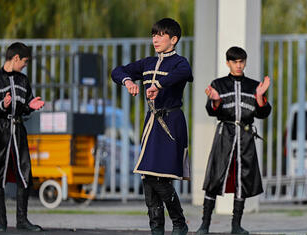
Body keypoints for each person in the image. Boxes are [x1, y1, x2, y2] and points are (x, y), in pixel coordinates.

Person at [111, 18, 193, 235]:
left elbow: (184, 74)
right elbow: (117, 70)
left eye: (160, 35)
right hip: (152, 125)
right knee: (148, 176)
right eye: (153, 35)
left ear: (173, 40)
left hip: (171, 123)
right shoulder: (147, 63)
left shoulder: (180, 62)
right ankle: (156, 228)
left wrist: (158, 84)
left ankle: (179, 222)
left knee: (159, 177)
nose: (155, 39)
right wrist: (128, 81)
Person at [196, 46, 271, 235]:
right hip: (225, 135)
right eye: (235, 62)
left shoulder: (253, 85)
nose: (239, 65)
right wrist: (216, 101)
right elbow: (211, 111)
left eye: (241, 62)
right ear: (228, 63)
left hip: (245, 137)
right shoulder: (218, 84)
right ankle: (205, 224)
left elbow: (263, 113)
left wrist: (260, 98)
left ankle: (236, 225)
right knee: (215, 178)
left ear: (245, 62)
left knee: (242, 179)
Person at [0, 42, 44, 232]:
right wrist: (2, 105)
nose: (25, 65)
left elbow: (25, 105)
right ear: (15, 58)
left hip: (18, 131)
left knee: (24, 174)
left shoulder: (23, 80)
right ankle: (1, 223)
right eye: (24, 61)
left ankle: (22, 220)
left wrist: (32, 105)